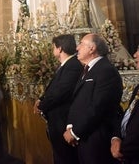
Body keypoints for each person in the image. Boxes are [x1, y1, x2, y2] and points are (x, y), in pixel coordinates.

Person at [63, 33, 123, 163]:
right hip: (84, 136)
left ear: (92, 48)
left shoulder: (106, 70)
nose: (77, 48)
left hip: (96, 137)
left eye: (81, 44)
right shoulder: (88, 69)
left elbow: (98, 107)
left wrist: (75, 132)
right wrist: (70, 126)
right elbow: (78, 101)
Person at [34, 34, 83, 164]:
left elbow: (61, 92)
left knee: (66, 158)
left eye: (53, 47)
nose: (52, 50)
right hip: (57, 121)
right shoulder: (65, 65)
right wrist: (41, 99)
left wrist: (41, 105)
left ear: (60, 48)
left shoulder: (73, 65)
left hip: (63, 121)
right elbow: (53, 88)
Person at [110, 47, 139, 163]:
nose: (135, 55)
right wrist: (116, 138)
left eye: (138, 51)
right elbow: (128, 115)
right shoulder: (137, 87)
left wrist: (122, 150)